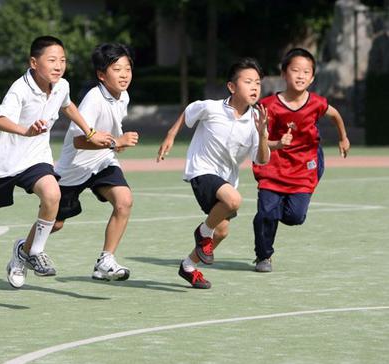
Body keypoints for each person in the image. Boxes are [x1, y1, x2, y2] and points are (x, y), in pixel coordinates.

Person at [0, 36, 112, 289]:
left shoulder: (61, 85)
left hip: (35, 159)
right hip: (3, 162)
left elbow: (68, 106)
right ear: (33, 62)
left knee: (53, 194)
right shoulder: (20, 89)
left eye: (62, 60)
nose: (58, 65)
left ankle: (33, 251)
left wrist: (90, 130)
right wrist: (25, 131)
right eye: (51, 60)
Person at [157, 58, 270, 289]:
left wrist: (263, 135)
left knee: (222, 232)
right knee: (234, 201)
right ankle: (202, 231)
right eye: (248, 81)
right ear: (231, 86)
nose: (254, 87)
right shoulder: (211, 107)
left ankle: (188, 266)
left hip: (226, 180)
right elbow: (188, 112)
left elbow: (262, 159)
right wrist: (170, 135)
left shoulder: (256, 121)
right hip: (202, 171)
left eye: (257, 82)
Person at [252, 48, 350, 272]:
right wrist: (272, 140)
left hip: (304, 166)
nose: (300, 75)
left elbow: (334, 115)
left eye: (306, 72)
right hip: (274, 166)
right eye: (295, 70)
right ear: (284, 73)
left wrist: (343, 138)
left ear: (312, 77)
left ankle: (276, 211)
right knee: (267, 212)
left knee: (295, 217)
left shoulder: (316, 103)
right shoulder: (269, 105)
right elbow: (259, 137)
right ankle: (263, 256)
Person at [46, 43, 138, 282]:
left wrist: (115, 146)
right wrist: (115, 142)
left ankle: (105, 261)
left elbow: (110, 138)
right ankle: (24, 249)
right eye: (117, 69)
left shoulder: (123, 96)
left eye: (127, 68)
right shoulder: (93, 99)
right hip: (73, 169)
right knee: (54, 224)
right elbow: (78, 141)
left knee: (124, 201)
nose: (124, 74)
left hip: (103, 163)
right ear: (101, 75)